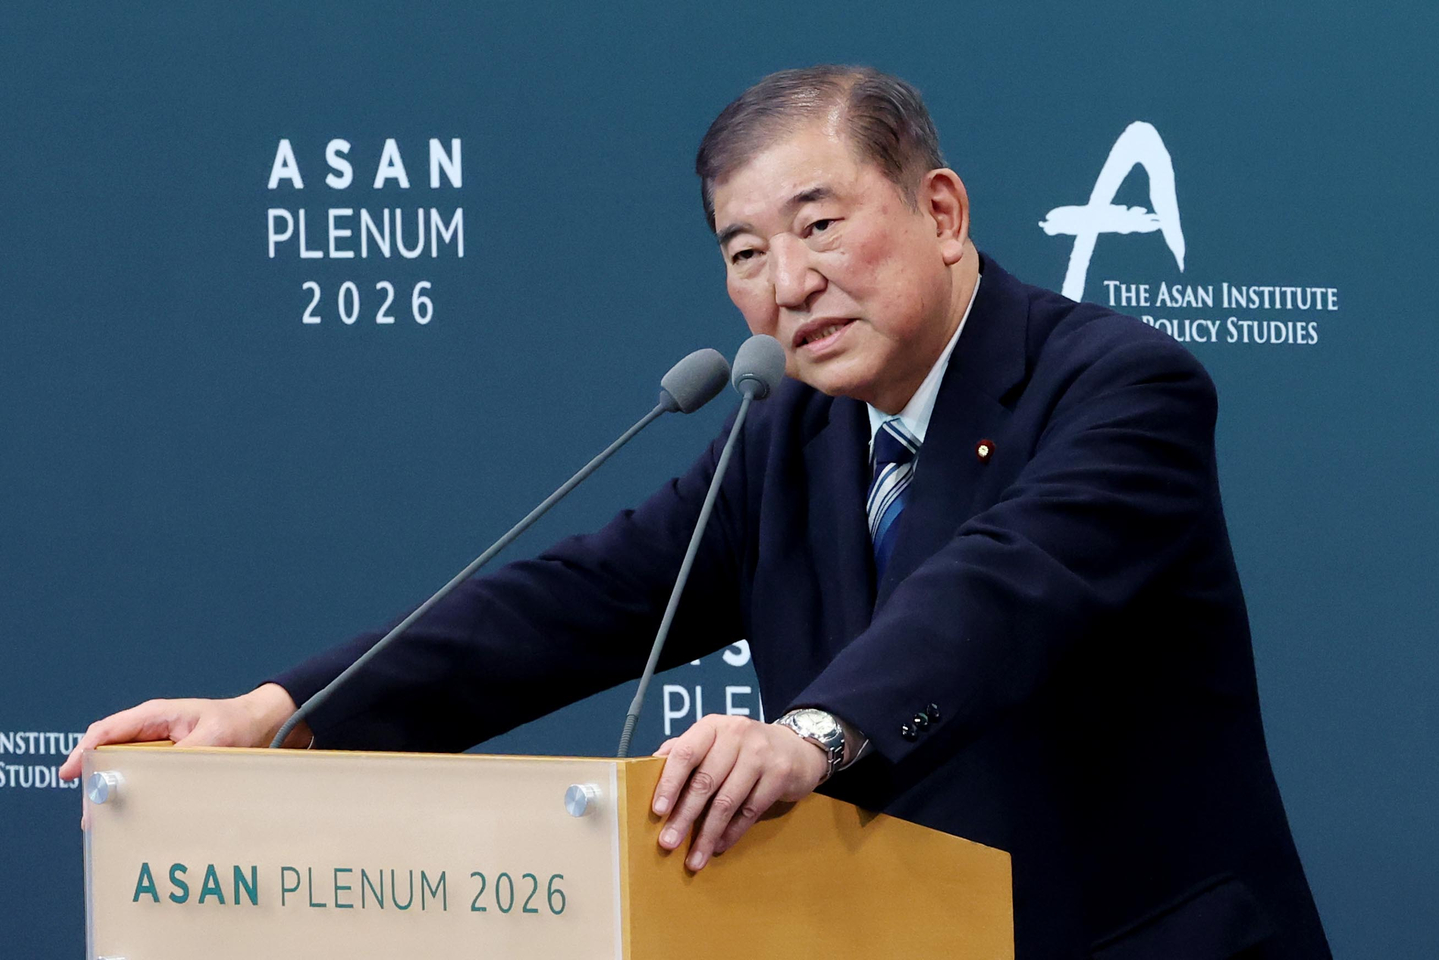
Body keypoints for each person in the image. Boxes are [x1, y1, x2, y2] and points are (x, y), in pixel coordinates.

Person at [61, 66, 1330, 958]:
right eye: (742, 252)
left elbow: (996, 590)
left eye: (819, 224)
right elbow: (582, 598)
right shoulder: (789, 426)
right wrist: (283, 715)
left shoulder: (1116, 385)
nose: (788, 284)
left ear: (939, 213)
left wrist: (811, 734)